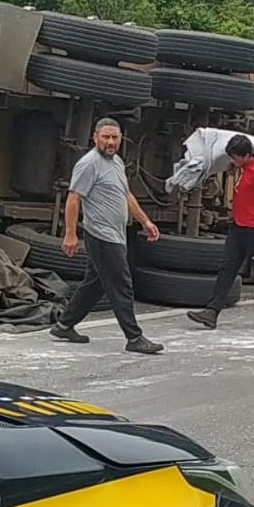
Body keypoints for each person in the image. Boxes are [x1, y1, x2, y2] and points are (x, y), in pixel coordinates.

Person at [50, 118, 165, 355]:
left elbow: (126, 195)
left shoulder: (116, 163)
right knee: (122, 284)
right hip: (101, 236)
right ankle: (134, 337)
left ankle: (64, 324)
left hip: (116, 234)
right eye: (106, 137)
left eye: (115, 137)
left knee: (94, 284)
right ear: (95, 138)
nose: (111, 142)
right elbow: (73, 198)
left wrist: (145, 221)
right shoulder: (89, 164)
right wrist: (70, 234)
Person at [187, 135, 254, 330]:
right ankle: (212, 311)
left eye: (235, 157)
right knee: (227, 268)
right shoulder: (240, 168)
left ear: (246, 155)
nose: (232, 160)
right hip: (239, 227)